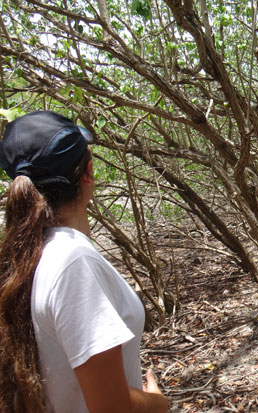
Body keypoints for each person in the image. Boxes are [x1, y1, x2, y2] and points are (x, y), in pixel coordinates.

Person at [0, 111, 169, 413]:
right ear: (88, 173)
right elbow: (112, 407)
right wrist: (159, 402)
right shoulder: (71, 261)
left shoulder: (24, 259)